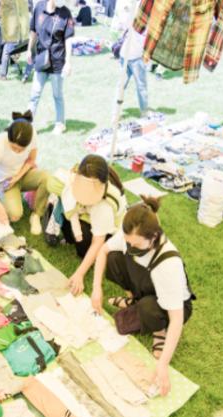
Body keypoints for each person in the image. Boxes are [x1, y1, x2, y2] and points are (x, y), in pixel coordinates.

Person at [90, 196, 195, 396]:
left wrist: (162, 365)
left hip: (172, 307)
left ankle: (158, 329)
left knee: (147, 310)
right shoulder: (131, 234)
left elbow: (177, 318)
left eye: (136, 245)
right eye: (127, 242)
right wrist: (97, 288)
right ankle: (134, 300)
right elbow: (103, 251)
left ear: (153, 237)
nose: (130, 247)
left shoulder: (168, 264)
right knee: (114, 258)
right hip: (146, 286)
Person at [47, 154, 126, 295]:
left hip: (106, 229)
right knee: (68, 220)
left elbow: (98, 242)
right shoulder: (76, 176)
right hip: (85, 216)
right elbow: (54, 182)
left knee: (84, 246)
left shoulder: (104, 206)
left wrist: (79, 274)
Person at [0, 110, 49, 234]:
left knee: (47, 177)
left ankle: (36, 214)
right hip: (6, 181)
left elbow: (31, 160)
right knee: (15, 216)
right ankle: (9, 198)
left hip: (24, 174)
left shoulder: (32, 134)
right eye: (14, 148)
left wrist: (18, 177)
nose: (17, 152)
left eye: (21, 149)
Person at [27, 0, 75, 135]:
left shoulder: (65, 12)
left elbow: (68, 39)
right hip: (41, 59)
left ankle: (60, 123)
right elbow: (33, 31)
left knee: (57, 95)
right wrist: (29, 49)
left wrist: (68, 62)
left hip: (57, 62)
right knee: (34, 94)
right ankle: (27, 125)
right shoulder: (39, 7)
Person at [120, 26, 149, 116]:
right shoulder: (145, 23)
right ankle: (144, 113)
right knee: (140, 86)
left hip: (128, 55)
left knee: (122, 85)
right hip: (132, 57)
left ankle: (116, 113)